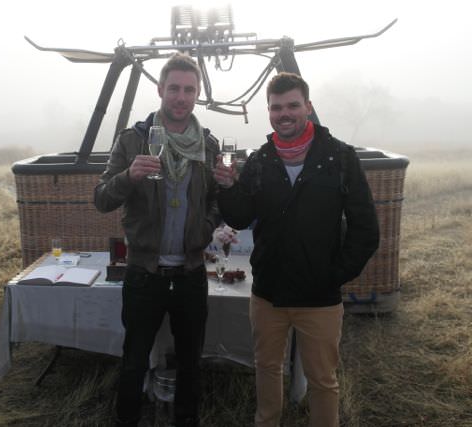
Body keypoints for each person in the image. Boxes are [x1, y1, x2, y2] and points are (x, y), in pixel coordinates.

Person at [214, 72, 379, 427]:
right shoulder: (260, 160)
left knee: (322, 380)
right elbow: (241, 217)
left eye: (292, 105)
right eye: (276, 107)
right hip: (268, 293)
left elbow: (366, 230)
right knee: (267, 368)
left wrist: (333, 275)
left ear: (308, 106)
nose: (284, 113)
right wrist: (227, 188)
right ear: (269, 111)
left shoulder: (339, 158)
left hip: (319, 296)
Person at [94, 53, 220, 427]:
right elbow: (101, 198)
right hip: (143, 274)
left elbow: (217, 197)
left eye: (189, 90)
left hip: (191, 274)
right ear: (160, 89)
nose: (181, 97)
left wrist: (208, 227)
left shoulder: (208, 146)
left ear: (197, 94)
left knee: (190, 363)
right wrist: (129, 176)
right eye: (174, 88)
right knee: (134, 359)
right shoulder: (133, 140)